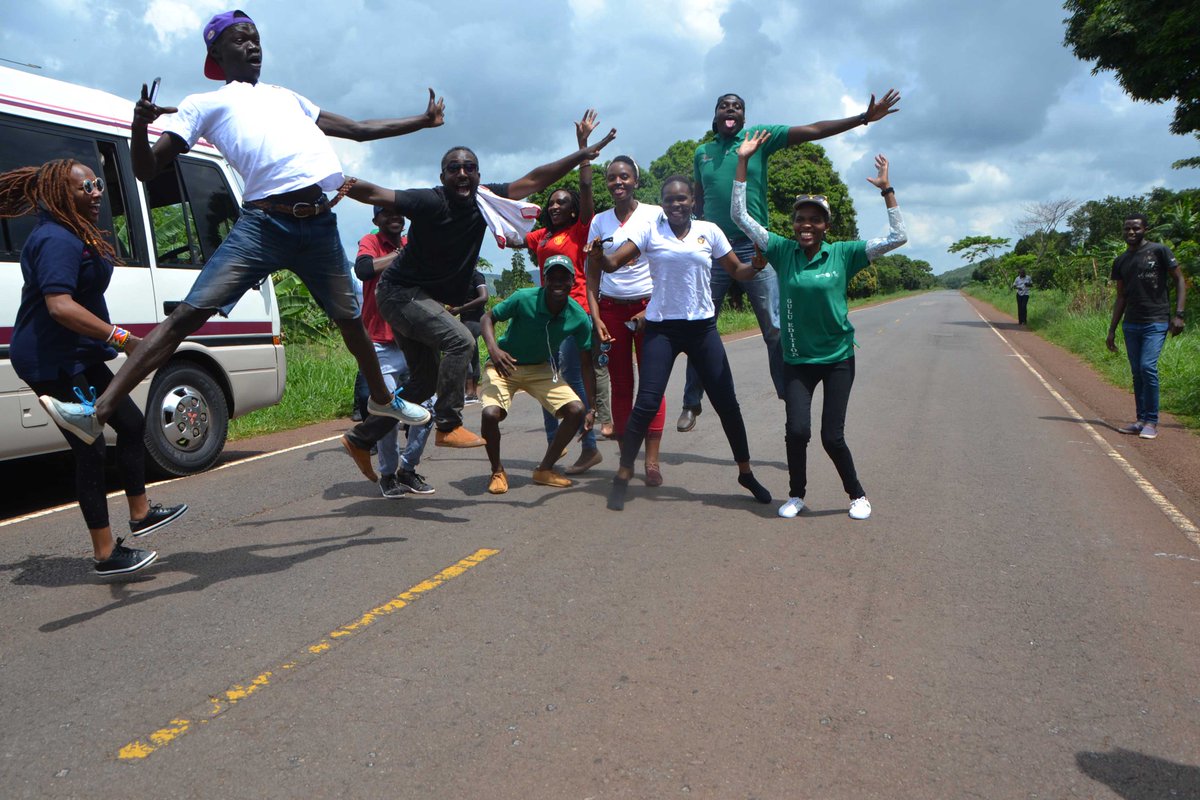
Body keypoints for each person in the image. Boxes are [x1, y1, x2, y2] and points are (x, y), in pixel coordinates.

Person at [40, 9, 440, 444]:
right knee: (186, 317)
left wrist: (421, 121)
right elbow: (146, 169)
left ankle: (382, 398)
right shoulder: (203, 104)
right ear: (216, 53)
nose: (253, 46)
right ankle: (97, 413)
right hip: (263, 226)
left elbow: (358, 129)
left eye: (257, 39)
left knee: (350, 320)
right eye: (241, 39)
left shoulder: (287, 97)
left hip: (319, 223)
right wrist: (139, 126)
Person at [341, 123, 616, 454]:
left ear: (478, 175)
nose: (462, 173)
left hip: (417, 297)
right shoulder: (430, 201)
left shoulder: (484, 199)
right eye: (453, 168)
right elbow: (378, 194)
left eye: (469, 167)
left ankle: (361, 438)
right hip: (399, 292)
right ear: (443, 176)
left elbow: (533, 180)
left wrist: (580, 155)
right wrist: (334, 181)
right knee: (460, 340)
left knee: (424, 383)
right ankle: (448, 424)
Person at [677, 89, 902, 434]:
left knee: (774, 328)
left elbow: (812, 130)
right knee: (700, 325)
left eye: (737, 106)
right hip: (715, 249)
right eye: (724, 105)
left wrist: (861, 118)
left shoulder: (759, 139)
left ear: (744, 117)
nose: (731, 110)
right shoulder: (702, 152)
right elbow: (699, 199)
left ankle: (789, 395)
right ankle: (691, 402)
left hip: (756, 247)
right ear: (716, 113)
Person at [2, 159, 188, 575]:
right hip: (49, 360)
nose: (97, 192)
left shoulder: (73, 231)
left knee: (131, 423)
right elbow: (59, 306)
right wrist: (123, 339)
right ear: (60, 193)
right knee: (90, 446)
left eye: (98, 183)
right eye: (85, 187)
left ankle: (141, 513)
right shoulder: (55, 238)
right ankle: (105, 554)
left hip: (79, 352)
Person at [731, 131, 907, 520]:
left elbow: (899, 237)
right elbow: (740, 217)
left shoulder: (844, 254)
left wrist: (887, 190)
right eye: (800, 219)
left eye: (814, 220)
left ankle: (857, 495)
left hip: (838, 358)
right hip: (797, 359)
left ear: (826, 225)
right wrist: (742, 161)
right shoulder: (780, 250)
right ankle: (796, 495)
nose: (806, 225)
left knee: (832, 436)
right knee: (797, 431)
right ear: (793, 224)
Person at [587, 175, 773, 512]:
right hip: (662, 328)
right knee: (646, 402)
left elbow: (736, 270)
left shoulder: (709, 231)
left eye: (682, 198)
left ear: (692, 202)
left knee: (727, 403)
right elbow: (612, 265)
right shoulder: (650, 231)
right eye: (670, 199)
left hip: (702, 329)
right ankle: (624, 473)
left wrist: (756, 266)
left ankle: (746, 472)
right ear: (662, 203)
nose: (676, 204)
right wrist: (600, 254)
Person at [524, 110, 603, 475]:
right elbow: (513, 235)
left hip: (574, 311)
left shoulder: (580, 230)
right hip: (546, 314)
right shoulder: (542, 237)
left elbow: (586, 190)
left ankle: (588, 446)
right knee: (548, 379)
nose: (555, 206)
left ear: (574, 211)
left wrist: (583, 148)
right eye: (551, 203)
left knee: (567, 377)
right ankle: (555, 445)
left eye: (562, 203)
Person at [478, 255, 597, 494]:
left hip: (540, 368)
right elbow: (487, 318)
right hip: (505, 364)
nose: (558, 282)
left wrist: (592, 407)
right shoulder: (524, 298)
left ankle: (545, 469)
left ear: (573, 282)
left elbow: (586, 364)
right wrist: (494, 350)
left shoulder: (578, 316)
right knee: (491, 414)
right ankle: (497, 470)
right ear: (544, 279)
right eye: (552, 277)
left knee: (576, 410)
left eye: (563, 277)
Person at [341, 207, 436, 497]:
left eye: (398, 213)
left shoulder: (411, 244)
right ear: (376, 220)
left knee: (428, 410)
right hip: (380, 344)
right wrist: (403, 255)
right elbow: (364, 269)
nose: (394, 217)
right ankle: (388, 474)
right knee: (389, 411)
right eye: (386, 213)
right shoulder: (370, 242)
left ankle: (408, 469)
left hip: (413, 340)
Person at [584, 155, 666, 485]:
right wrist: (596, 317)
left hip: (650, 307)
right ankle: (626, 459)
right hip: (612, 309)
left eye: (624, 177)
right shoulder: (599, 222)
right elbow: (592, 274)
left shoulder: (654, 214)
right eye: (612, 178)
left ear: (636, 181)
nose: (618, 182)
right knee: (621, 386)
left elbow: (666, 262)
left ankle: (652, 462)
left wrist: (654, 307)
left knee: (652, 384)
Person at [1106, 212, 1187, 441]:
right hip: (1131, 323)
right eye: (1127, 228)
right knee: (1137, 373)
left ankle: (1152, 421)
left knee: (1147, 367)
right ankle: (1140, 420)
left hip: (1156, 320)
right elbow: (1121, 296)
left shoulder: (1159, 251)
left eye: (1136, 228)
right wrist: (1112, 330)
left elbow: (1179, 280)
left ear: (1145, 230)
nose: (1131, 232)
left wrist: (1179, 315)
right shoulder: (1121, 261)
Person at [449, 268, 489, 404]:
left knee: (464, 351)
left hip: (474, 320)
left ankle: (470, 391)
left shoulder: (476, 276)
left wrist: (460, 309)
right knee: (473, 354)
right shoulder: (464, 277)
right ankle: (472, 393)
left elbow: (484, 297)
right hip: (468, 320)